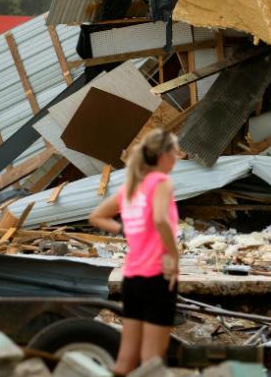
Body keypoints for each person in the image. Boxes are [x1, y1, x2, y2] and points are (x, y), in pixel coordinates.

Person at [89, 129, 183, 375]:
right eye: (174, 152)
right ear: (162, 155)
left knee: (126, 359)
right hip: (156, 276)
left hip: (132, 278)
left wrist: (123, 228)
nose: (177, 157)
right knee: (151, 361)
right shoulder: (161, 182)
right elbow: (161, 219)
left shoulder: (131, 188)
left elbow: (96, 216)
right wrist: (173, 256)